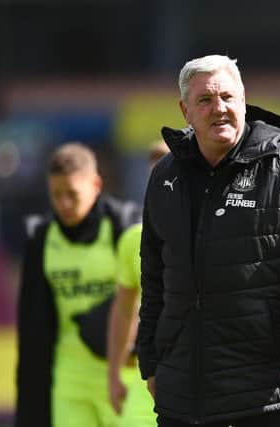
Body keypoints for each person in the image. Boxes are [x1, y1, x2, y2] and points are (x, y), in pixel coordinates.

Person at [136, 54, 280, 427]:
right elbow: (155, 277)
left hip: (266, 393)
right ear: (185, 110)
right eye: (205, 100)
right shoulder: (165, 175)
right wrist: (152, 362)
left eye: (228, 98)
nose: (219, 108)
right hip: (182, 397)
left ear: (244, 100)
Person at [15, 142, 141, 427]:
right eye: (56, 195)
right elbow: (32, 319)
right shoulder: (42, 238)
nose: (64, 204)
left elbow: (147, 297)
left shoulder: (124, 226)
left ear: (95, 184)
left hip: (122, 375)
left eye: (72, 194)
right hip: (68, 378)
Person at [107, 141, 171, 427]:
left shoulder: (218, 233)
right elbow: (124, 310)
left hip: (205, 376)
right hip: (149, 378)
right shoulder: (134, 240)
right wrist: (113, 376)